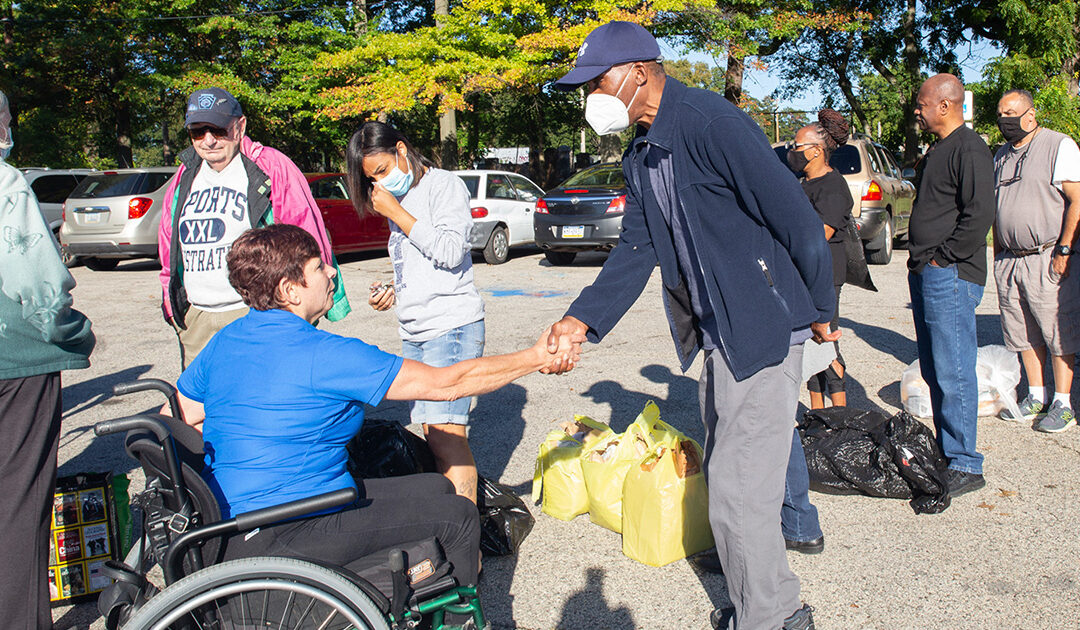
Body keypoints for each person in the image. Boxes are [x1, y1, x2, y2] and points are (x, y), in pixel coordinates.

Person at [547, 21, 837, 630]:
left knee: (735, 494)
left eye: (598, 81)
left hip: (762, 327)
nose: (592, 95)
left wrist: (818, 311)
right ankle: (765, 602)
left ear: (639, 71)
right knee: (733, 488)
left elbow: (799, 222)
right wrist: (582, 319)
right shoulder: (642, 151)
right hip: (716, 337)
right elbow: (636, 248)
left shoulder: (713, 125)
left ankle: (775, 617)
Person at [174, 224, 577, 592]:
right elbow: (446, 383)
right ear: (290, 290)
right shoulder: (324, 354)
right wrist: (536, 356)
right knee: (458, 518)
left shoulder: (228, 340)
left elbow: (176, 418)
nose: (332, 273)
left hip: (231, 525)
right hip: (291, 525)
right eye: (319, 267)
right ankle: (461, 615)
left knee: (437, 486)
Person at [158, 87, 347, 369]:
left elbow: (306, 234)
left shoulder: (270, 166)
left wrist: (307, 302)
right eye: (198, 132)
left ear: (240, 126)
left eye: (218, 129)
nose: (208, 141)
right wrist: (172, 305)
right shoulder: (185, 176)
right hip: (197, 317)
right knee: (204, 406)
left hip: (254, 313)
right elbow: (168, 243)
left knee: (265, 399)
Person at [347, 122, 486, 504]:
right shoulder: (401, 199)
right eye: (371, 177)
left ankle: (464, 537)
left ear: (402, 150)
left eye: (382, 170)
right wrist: (394, 289)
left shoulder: (443, 186)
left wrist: (397, 212)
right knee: (432, 430)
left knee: (446, 434)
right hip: (416, 330)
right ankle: (451, 522)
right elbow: (420, 260)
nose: (379, 183)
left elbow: (450, 250)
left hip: (451, 326)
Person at [0, 89, 95, 629]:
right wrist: (73, 333)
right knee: (16, 500)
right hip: (16, 361)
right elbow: (36, 284)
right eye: (7, 121)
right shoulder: (7, 183)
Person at [908, 74, 995, 496]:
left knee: (953, 369)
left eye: (923, 103)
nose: (918, 110)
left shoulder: (969, 147)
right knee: (934, 368)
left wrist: (944, 258)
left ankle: (965, 463)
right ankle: (948, 452)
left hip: (951, 274)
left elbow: (979, 215)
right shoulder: (939, 149)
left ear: (945, 105)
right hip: (927, 270)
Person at [991, 89, 1080, 433]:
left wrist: (1065, 248)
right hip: (1010, 260)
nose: (1004, 121)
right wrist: (998, 253)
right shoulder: (1001, 155)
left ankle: (1063, 402)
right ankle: (1036, 395)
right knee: (1022, 333)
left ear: (1030, 115)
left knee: (1058, 330)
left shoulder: (1059, 146)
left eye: (1011, 113)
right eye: (1001, 114)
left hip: (1048, 255)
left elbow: (1076, 200)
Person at [788, 110, 855, 409]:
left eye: (797, 146)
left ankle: (839, 418)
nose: (793, 152)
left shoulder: (833, 185)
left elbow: (820, 234)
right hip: (803, 274)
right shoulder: (803, 184)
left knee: (826, 342)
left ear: (816, 150)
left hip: (825, 274)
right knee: (808, 345)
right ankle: (818, 416)